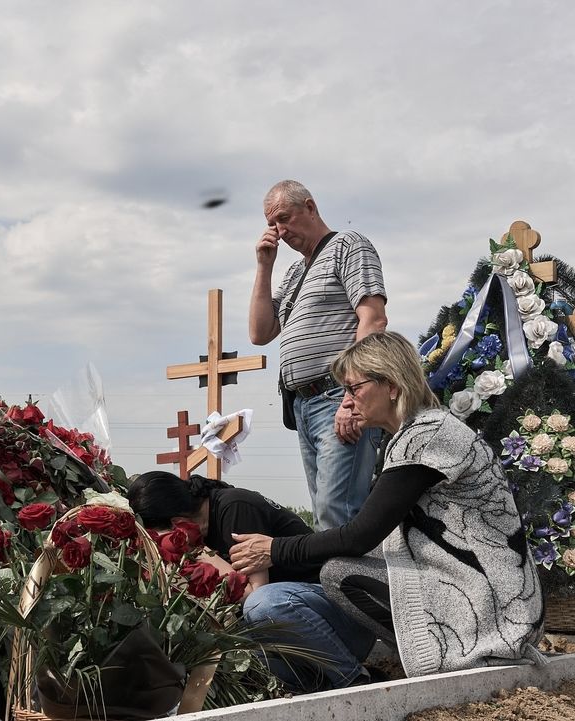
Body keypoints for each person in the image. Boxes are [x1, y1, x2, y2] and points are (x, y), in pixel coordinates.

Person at [229, 332, 544, 678]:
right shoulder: (415, 433)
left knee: (340, 573)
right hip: (490, 593)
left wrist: (274, 550)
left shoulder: (427, 435)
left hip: (494, 605)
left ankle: (450, 655)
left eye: (354, 388)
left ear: (391, 385)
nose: (346, 402)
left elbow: (360, 535)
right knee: (310, 585)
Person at [127, 470, 376, 691]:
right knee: (224, 659)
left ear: (176, 524)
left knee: (261, 604)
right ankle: (319, 685)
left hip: (338, 623)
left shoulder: (235, 508)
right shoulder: (206, 525)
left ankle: (353, 679)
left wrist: (199, 552)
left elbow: (255, 595)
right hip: (301, 637)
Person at [248, 179, 388, 530]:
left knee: (337, 511)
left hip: (337, 396)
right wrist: (264, 266)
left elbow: (373, 320)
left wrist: (352, 397)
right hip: (303, 405)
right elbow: (259, 333)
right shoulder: (295, 272)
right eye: (272, 224)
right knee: (327, 514)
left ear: (309, 207)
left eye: (284, 218)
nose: (280, 231)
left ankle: (348, 571)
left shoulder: (348, 245)